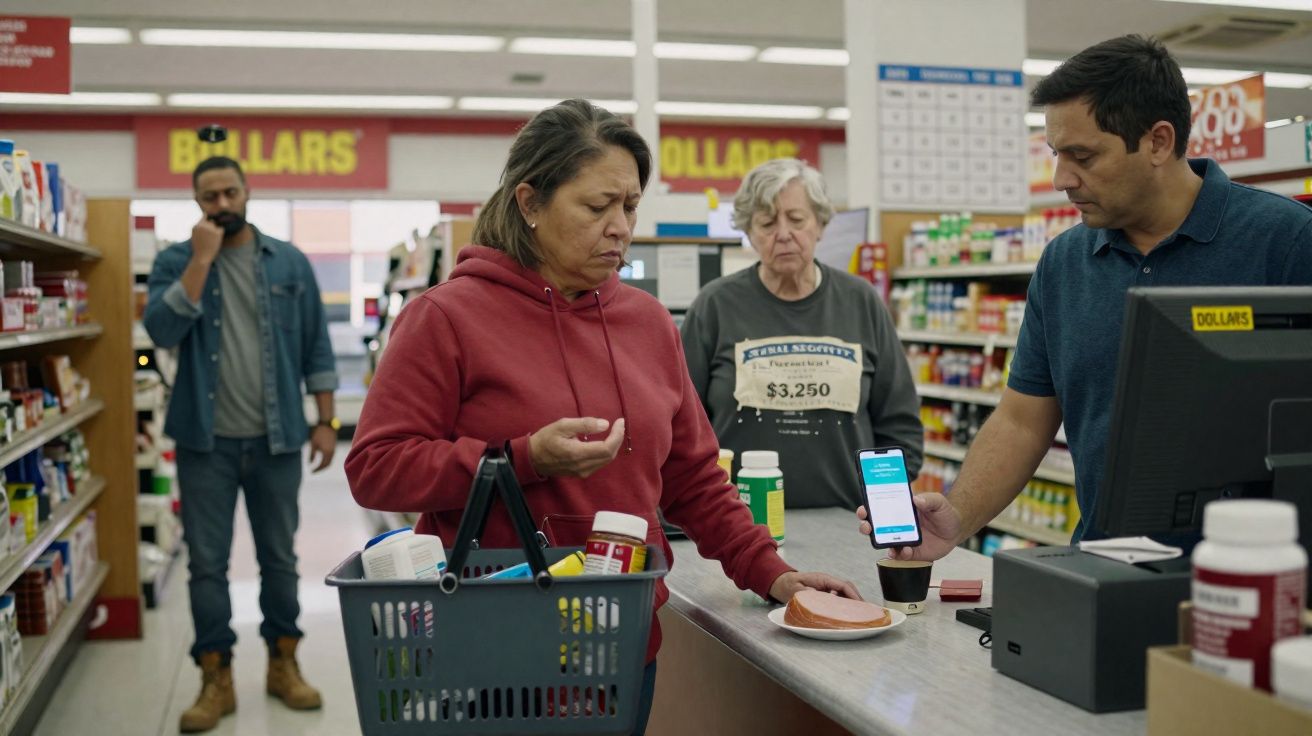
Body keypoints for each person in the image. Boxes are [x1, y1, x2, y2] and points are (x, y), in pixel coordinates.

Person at [345, 99, 859, 735]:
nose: (620, 226)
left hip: (618, 645)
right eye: (596, 207)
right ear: (530, 203)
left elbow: (695, 476)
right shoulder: (446, 318)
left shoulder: (647, 325)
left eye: (630, 206)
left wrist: (772, 573)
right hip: (496, 649)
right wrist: (523, 457)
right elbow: (375, 469)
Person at [858, 34, 1312, 559]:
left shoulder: (1287, 242)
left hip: (1260, 575)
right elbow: (1022, 420)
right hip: (1106, 568)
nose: (1060, 178)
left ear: (1159, 142)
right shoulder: (1063, 263)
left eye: (1082, 156)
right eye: (1056, 154)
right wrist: (957, 517)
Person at [143, 156, 339, 733]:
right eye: (210, 197)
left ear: (248, 192)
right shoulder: (175, 262)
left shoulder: (289, 262)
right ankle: (215, 675)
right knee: (207, 565)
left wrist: (325, 421)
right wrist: (201, 262)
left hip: (277, 441)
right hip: (206, 444)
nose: (222, 204)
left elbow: (316, 348)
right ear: (197, 202)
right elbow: (160, 333)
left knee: (280, 559)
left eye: (231, 192)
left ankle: (284, 663)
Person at [681, 158, 923, 509]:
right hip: (736, 528)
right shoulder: (715, 305)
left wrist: (884, 504)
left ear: (820, 224)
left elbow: (900, 424)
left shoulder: (861, 302)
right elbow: (683, 424)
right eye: (766, 222)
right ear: (749, 232)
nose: (783, 234)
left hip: (848, 520)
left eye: (796, 219)